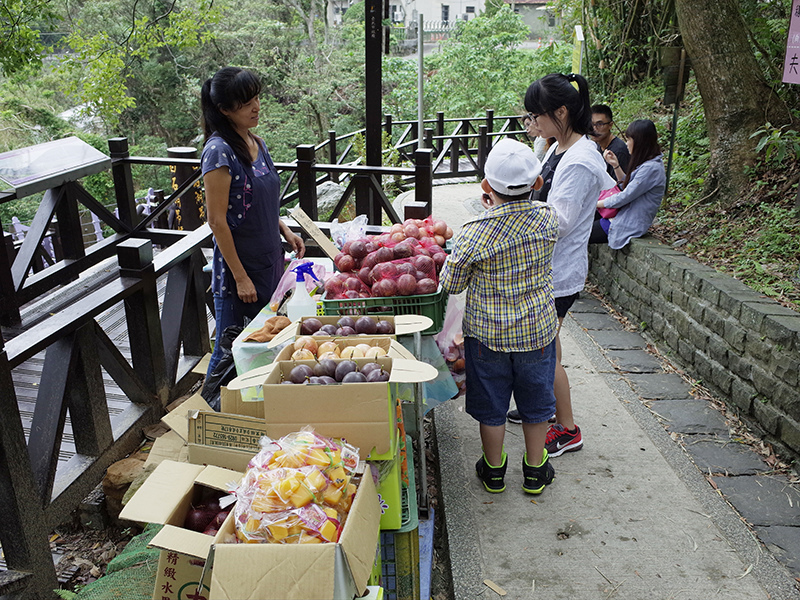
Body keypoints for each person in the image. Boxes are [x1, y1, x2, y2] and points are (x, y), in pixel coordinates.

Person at [440, 138, 560, 495]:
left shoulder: (474, 233)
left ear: (486, 188)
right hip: (536, 334)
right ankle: (535, 470)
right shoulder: (548, 219)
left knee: (491, 404)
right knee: (536, 404)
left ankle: (494, 472)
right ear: (537, 184)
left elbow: (451, 282)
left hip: (487, 338)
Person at [506, 74, 616, 460]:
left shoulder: (581, 160)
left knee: (545, 352)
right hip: (546, 269)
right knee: (545, 348)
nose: (533, 122)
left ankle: (567, 429)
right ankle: (544, 408)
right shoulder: (560, 146)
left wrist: (513, 214)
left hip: (557, 275)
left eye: (537, 115)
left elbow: (562, 220)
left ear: (562, 112)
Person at [201, 67, 305, 381]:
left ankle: (255, 417)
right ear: (224, 110)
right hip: (239, 273)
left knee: (268, 343)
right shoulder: (218, 152)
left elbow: (262, 199)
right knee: (230, 351)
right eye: (246, 103)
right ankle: (211, 420)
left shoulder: (256, 142)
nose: (256, 106)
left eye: (256, 97)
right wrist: (241, 277)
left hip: (270, 261)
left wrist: (285, 230)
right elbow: (216, 221)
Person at [590, 119, 666, 248]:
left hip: (625, 222)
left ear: (640, 142)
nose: (626, 144)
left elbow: (626, 196)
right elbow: (627, 184)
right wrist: (616, 165)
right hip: (618, 215)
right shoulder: (647, 164)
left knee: (578, 234)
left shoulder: (651, 169)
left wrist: (595, 204)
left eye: (629, 139)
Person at [590, 103, 630, 181]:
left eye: (599, 124)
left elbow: (621, 186)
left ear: (610, 125)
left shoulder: (618, 151)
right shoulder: (597, 146)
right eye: (591, 124)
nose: (594, 129)